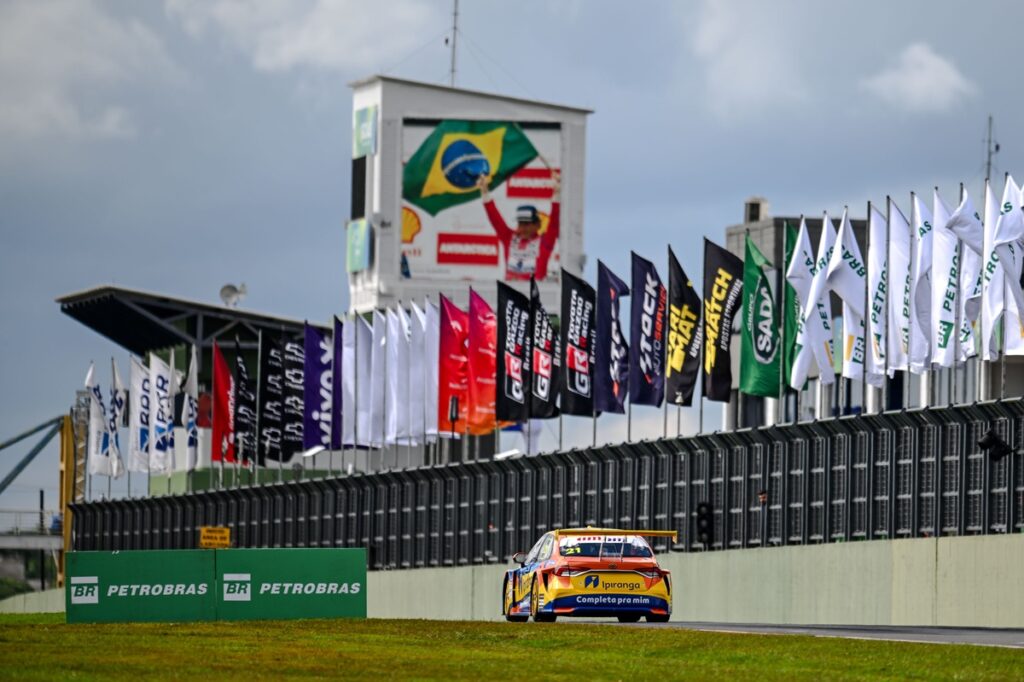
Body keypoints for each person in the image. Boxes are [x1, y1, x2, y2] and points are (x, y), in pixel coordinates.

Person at [476, 170, 561, 281]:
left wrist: (557, 194)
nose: (522, 228)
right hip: (509, 295)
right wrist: (485, 193)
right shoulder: (509, 238)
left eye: (526, 224)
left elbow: (554, 223)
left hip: (534, 296)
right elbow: (496, 220)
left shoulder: (544, 242)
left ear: (537, 225)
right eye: (520, 223)